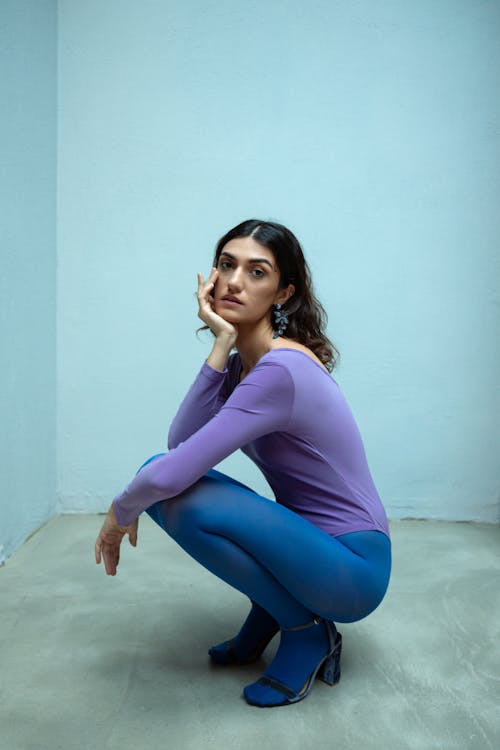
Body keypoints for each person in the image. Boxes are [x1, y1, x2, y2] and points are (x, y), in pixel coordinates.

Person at [94, 218, 391, 708]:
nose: (234, 281)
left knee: (178, 499)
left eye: (257, 272)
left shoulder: (281, 369)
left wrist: (118, 510)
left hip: (353, 570)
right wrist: (221, 344)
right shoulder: (246, 366)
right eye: (227, 265)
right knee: (168, 486)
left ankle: (306, 630)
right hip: (309, 547)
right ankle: (275, 609)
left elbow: (169, 470)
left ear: (283, 293)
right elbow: (182, 441)